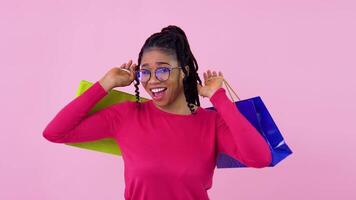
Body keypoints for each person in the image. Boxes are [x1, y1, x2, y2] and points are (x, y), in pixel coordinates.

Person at [43, 25, 272, 200]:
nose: (152, 81)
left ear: (184, 72)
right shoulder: (127, 115)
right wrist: (106, 83)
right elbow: (55, 133)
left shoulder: (210, 123)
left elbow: (261, 158)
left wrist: (218, 98)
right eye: (145, 72)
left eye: (162, 70)